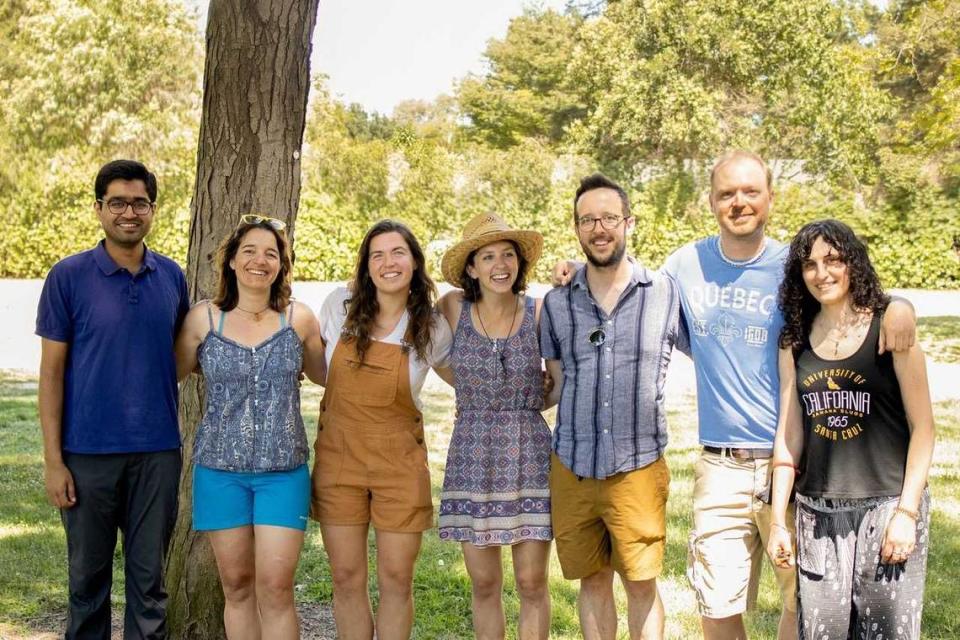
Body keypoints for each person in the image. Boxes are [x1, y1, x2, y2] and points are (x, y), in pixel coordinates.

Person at [553, 151, 917, 640]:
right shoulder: (684, 265)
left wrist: (900, 305)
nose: (738, 202)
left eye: (750, 191)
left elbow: (851, 299)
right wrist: (578, 267)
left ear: (770, 197)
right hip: (720, 465)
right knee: (716, 602)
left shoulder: (796, 265)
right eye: (726, 193)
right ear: (711, 201)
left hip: (799, 461)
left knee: (802, 597)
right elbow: (624, 285)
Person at [36, 160, 189, 639]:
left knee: (150, 584)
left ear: (153, 209)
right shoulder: (68, 276)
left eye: (139, 202)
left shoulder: (172, 276)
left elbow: (181, 355)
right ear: (99, 208)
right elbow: (52, 372)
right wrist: (54, 461)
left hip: (157, 453)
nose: (129, 212)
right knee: (86, 582)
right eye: (118, 202)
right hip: (86, 456)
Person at [767, 219, 934, 640]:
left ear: (853, 262)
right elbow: (789, 437)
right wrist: (776, 521)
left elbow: (925, 430)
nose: (821, 273)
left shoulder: (890, 328)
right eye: (809, 264)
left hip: (887, 506)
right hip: (818, 513)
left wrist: (907, 513)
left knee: (887, 634)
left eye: (833, 260)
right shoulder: (794, 340)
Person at [540, 174, 685, 640]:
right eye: (587, 220)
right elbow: (556, 382)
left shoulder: (665, 293)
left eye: (608, 218)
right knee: (593, 580)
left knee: (641, 584)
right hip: (573, 466)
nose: (599, 229)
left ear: (629, 222)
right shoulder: (557, 301)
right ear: (577, 229)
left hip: (637, 467)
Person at [174, 214, 326, 639]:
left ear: (281, 265)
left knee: (276, 588)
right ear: (231, 262)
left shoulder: (300, 320)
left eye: (271, 254)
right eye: (250, 251)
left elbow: (330, 376)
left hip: (282, 474)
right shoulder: (203, 319)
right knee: (237, 587)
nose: (260, 261)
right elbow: (169, 374)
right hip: (220, 472)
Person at [310, 219, 453, 640]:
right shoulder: (338, 306)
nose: (387, 262)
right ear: (366, 265)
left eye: (397, 253)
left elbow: (465, 378)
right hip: (339, 461)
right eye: (377, 254)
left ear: (414, 263)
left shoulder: (431, 325)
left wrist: (530, 384)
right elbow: (316, 368)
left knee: (396, 579)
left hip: (400, 466)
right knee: (346, 577)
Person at [437, 212, 552, 640]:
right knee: (485, 583)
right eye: (487, 256)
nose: (500, 265)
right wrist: (470, 393)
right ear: (471, 268)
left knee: (531, 582)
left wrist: (534, 398)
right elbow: (428, 351)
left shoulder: (539, 311)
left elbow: (558, 382)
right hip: (472, 452)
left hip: (528, 452)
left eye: (508, 254)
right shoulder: (451, 307)